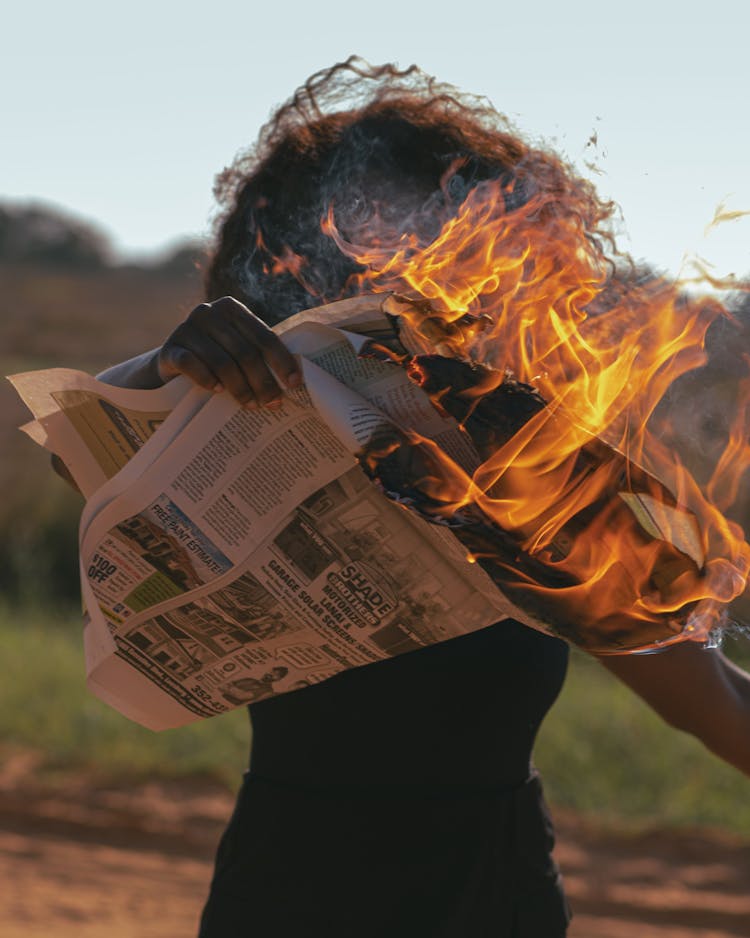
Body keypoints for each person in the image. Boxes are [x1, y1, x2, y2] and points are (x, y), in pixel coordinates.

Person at [92, 59, 750, 937]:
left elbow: (718, 708)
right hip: (288, 905)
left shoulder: (519, 485)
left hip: (496, 904)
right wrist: (168, 362)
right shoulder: (247, 434)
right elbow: (86, 443)